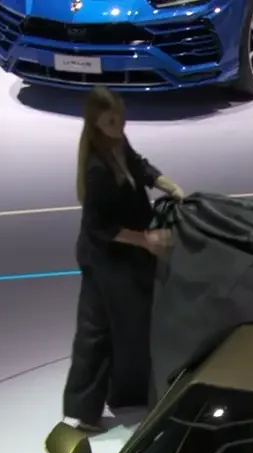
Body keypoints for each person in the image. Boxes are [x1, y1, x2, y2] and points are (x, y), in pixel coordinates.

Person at [60, 85, 187, 435]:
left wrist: (166, 183)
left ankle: (89, 408)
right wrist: (146, 240)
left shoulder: (117, 143)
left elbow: (138, 165)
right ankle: (90, 409)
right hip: (109, 259)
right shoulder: (97, 169)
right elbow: (99, 227)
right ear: (96, 123)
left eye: (121, 117)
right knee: (107, 329)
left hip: (111, 258)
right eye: (111, 121)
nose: (120, 125)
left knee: (99, 329)